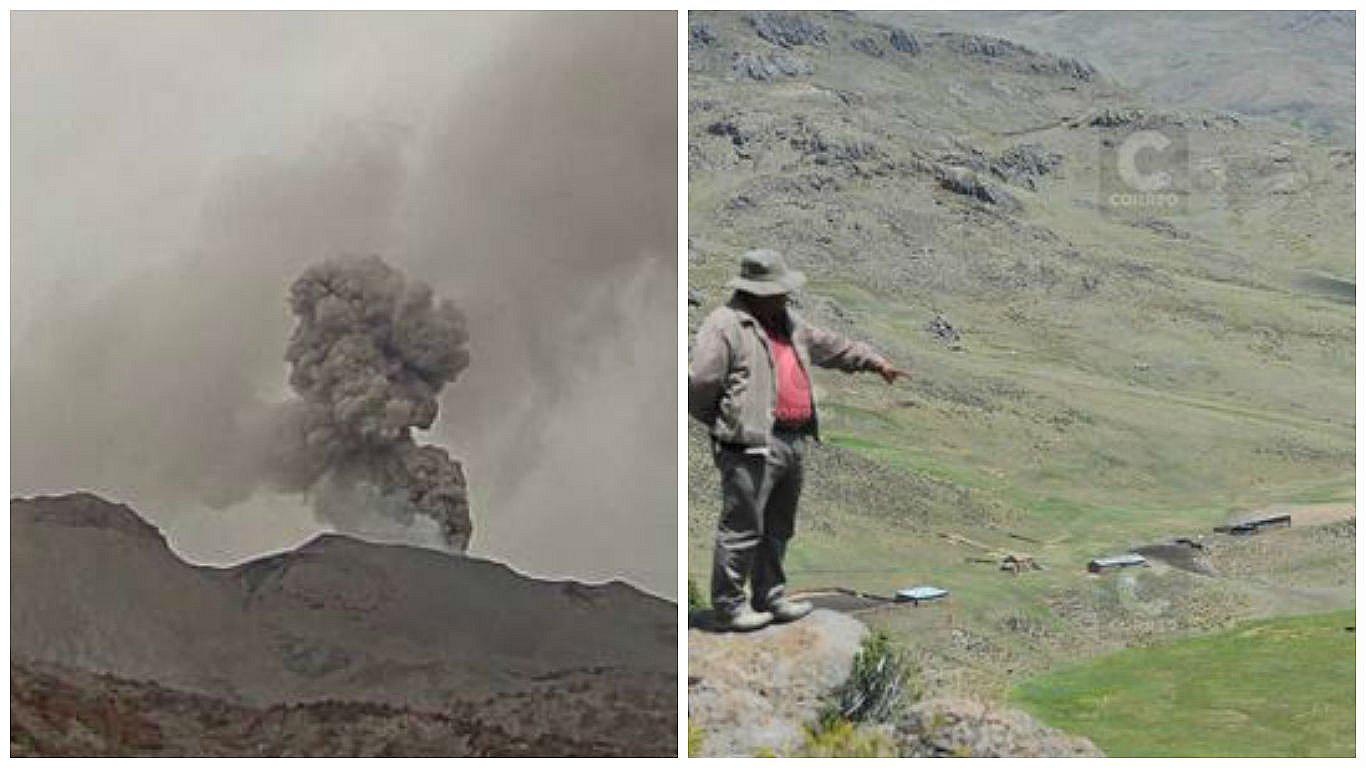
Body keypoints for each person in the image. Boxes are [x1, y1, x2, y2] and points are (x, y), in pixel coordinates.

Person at [688, 249, 909, 631]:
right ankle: (728, 606)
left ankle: (770, 595)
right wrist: (726, 423)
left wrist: (874, 362)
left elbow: (831, 345)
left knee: (778, 525)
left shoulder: (788, 322)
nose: (785, 297)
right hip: (749, 443)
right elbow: (700, 383)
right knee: (742, 526)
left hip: (793, 440)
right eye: (778, 291)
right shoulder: (726, 325)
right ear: (756, 291)